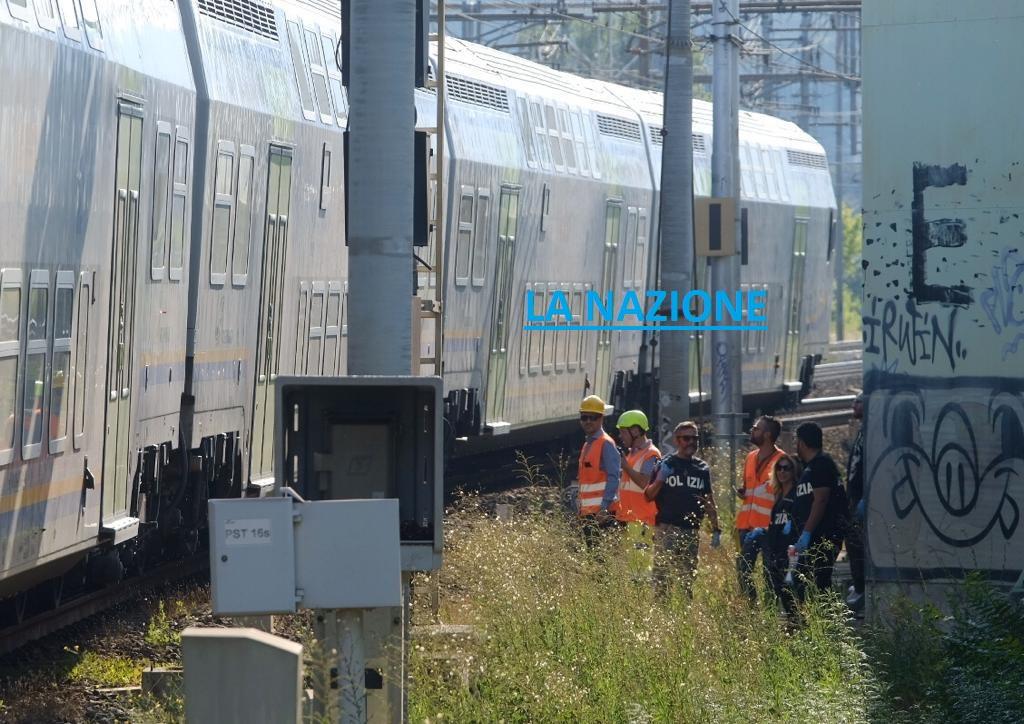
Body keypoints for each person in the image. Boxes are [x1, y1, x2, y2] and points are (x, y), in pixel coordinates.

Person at [644, 421, 721, 596]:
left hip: (691, 531)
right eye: (687, 438)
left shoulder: (702, 468)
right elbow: (648, 495)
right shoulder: (665, 463)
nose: (691, 442)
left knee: (687, 579)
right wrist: (660, 479)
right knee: (662, 578)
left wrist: (716, 529)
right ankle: (661, 615)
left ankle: (685, 615)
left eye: (695, 438)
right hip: (667, 529)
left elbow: (709, 501)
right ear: (677, 441)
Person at [735, 415, 785, 599]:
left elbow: (784, 495)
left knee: (769, 573)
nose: (752, 431)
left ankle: (770, 610)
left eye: (756, 428)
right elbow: (751, 488)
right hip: (746, 526)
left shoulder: (782, 461)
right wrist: (744, 493)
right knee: (743, 570)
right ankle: (751, 610)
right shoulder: (749, 457)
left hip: (768, 528)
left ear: (767, 434)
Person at [791, 422, 842, 597]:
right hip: (814, 536)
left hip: (822, 536)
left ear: (802, 443)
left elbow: (820, 500)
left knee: (818, 582)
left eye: (796, 441)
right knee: (805, 581)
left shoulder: (821, 465)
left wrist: (806, 532)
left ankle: (824, 621)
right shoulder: (810, 466)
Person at [576, 394, 621, 546]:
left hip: (601, 514)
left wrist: (604, 508)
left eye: (593, 417)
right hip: (589, 513)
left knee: (600, 559)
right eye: (584, 417)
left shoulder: (605, 443)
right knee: (593, 559)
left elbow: (614, 477)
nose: (588, 421)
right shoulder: (588, 444)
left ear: (601, 418)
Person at [759, 453, 801, 614]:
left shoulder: (796, 494)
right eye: (779, 468)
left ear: (793, 471)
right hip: (775, 548)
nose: (782, 472)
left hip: (790, 550)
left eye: (787, 468)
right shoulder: (778, 495)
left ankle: (796, 623)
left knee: (790, 590)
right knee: (779, 588)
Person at [612, 409, 660, 527]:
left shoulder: (651, 454)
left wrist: (626, 466)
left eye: (623, 432)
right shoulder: (631, 454)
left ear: (635, 431)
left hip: (641, 522)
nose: (620, 436)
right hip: (626, 519)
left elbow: (644, 482)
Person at [844, 393, 866, 611]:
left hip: (862, 497)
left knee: (856, 542)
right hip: (855, 496)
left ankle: (862, 586)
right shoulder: (862, 431)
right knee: (853, 542)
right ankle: (858, 584)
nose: (854, 405)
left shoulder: (870, 431)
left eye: (858, 401)